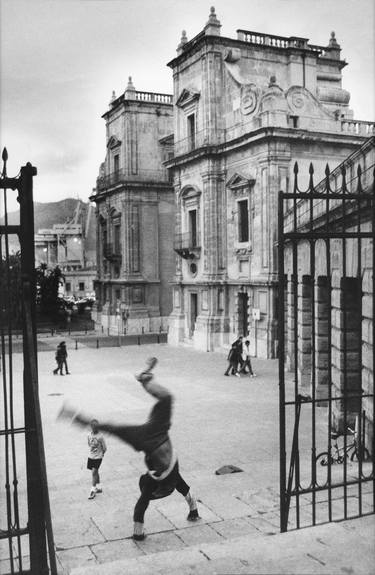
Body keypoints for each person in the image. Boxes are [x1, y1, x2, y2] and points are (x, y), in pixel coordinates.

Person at [57, 357, 199, 540]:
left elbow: (109, 428)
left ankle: (138, 532)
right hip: (169, 463)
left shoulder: (142, 436)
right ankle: (145, 378)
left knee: (145, 495)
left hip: (161, 468)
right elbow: (185, 489)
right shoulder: (160, 426)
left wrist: (77, 418)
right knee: (167, 398)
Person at [87, 418, 107, 499]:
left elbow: (105, 448)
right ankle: (98, 487)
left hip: (98, 457)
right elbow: (89, 444)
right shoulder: (89, 435)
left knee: (94, 472)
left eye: (96, 427)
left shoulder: (100, 436)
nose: (95, 428)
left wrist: (101, 455)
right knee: (95, 472)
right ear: (91, 427)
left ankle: (93, 490)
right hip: (91, 456)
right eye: (93, 427)